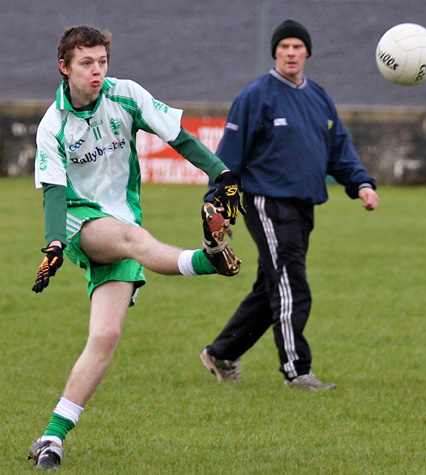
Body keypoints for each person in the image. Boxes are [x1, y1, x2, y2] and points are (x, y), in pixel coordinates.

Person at [28, 25, 243, 470]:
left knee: (105, 337)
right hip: (78, 221)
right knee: (133, 240)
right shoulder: (53, 124)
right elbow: (51, 191)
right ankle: (207, 260)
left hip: (123, 220)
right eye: (86, 63)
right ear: (64, 67)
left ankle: (52, 437)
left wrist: (220, 174)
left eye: (102, 61)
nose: (97, 71)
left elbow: (177, 135)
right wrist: (52, 242)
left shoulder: (125, 95)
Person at [200, 19, 379, 390]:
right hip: (268, 203)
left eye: (298, 47)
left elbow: (339, 149)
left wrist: (361, 183)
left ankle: (221, 353)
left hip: (303, 206)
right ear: (275, 53)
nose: (291, 53)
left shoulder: (318, 98)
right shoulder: (255, 96)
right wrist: (219, 207)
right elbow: (229, 157)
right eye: (284, 47)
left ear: (307, 53)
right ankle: (297, 370)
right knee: (292, 285)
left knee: (272, 286)